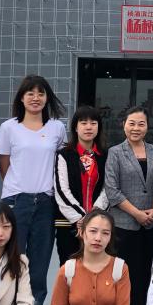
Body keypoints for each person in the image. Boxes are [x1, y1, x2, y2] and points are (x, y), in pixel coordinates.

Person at [0, 75, 66, 305]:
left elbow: (60, 164)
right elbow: (4, 165)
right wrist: (18, 188)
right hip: (16, 201)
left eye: (40, 93)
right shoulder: (9, 128)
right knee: (12, 260)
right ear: (21, 98)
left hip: (46, 202)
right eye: (30, 93)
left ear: (47, 98)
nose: (35, 98)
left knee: (39, 264)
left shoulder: (57, 128)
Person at [103, 106, 153, 305]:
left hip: (148, 225)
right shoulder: (115, 152)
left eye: (141, 124)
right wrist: (137, 213)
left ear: (147, 126)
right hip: (123, 225)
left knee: (141, 278)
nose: (136, 128)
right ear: (124, 125)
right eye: (132, 123)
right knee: (120, 279)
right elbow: (112, 190)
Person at [54, 105, 107, 264]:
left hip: (98, 224)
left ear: (99, 127)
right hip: (69, 223)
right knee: (70, 268)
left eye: (93, 123)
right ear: (76, 128)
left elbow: (108, 188)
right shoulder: (64, 155)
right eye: (83, 123)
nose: (88, 127)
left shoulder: (105, 155)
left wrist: (94, 216)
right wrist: (81, 218)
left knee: (96, 268)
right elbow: (61, 190)